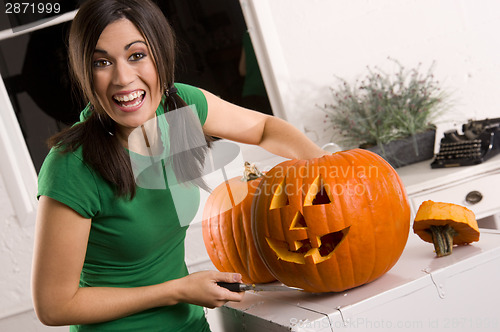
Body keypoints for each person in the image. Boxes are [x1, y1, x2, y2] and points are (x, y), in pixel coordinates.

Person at [31, 0, 328, 331]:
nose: (123, 77)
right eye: (102, 62)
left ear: (160, 54)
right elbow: (54, 306)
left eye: (136, 55)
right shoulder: (71, 165)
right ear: (85, 72)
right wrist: (176, 291)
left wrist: (328, 171)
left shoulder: (179, 110)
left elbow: (263, 129)